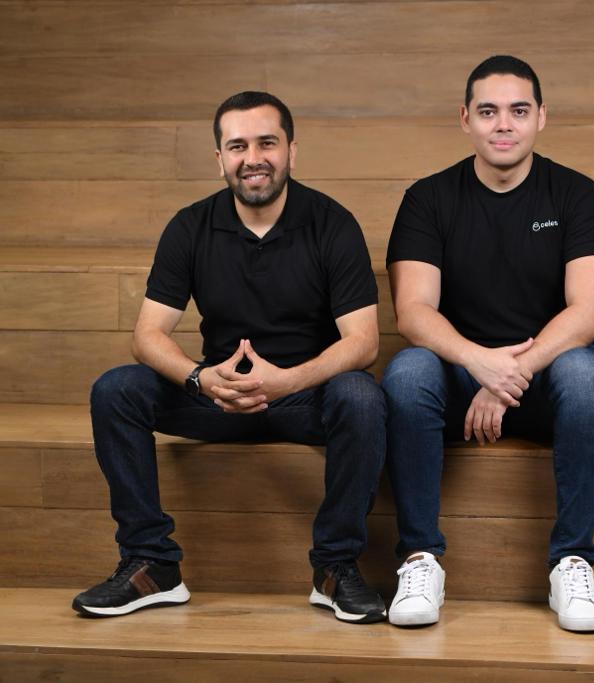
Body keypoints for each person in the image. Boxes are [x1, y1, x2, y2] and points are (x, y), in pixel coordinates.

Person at [73, 91, 388, 624]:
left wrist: (288, 381)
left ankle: (335, 566)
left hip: (303, 398)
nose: (253, 158)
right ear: (220, 158)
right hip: (216, 396)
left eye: (267, 142)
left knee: (361, 397)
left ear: (291, 150)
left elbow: (364, 342)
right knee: (116, 389)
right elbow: (147, 335)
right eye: (238, 146)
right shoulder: (190, 226)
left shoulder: (332, 223)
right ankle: (152, 564)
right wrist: (200, 379)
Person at [381, 55, 594, 632]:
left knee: (588, 375)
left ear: (541, 117)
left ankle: (572, 563)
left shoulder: (578, 195)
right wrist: (480, 363)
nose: (504, 124)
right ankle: (419, 559)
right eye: (488, 111)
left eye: (518, 110)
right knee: (408, 371)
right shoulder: (428, 198)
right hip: (460, 378)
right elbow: (413, 312)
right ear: (466, 119)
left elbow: (590, 313)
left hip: (548, 377)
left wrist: (512, 373)